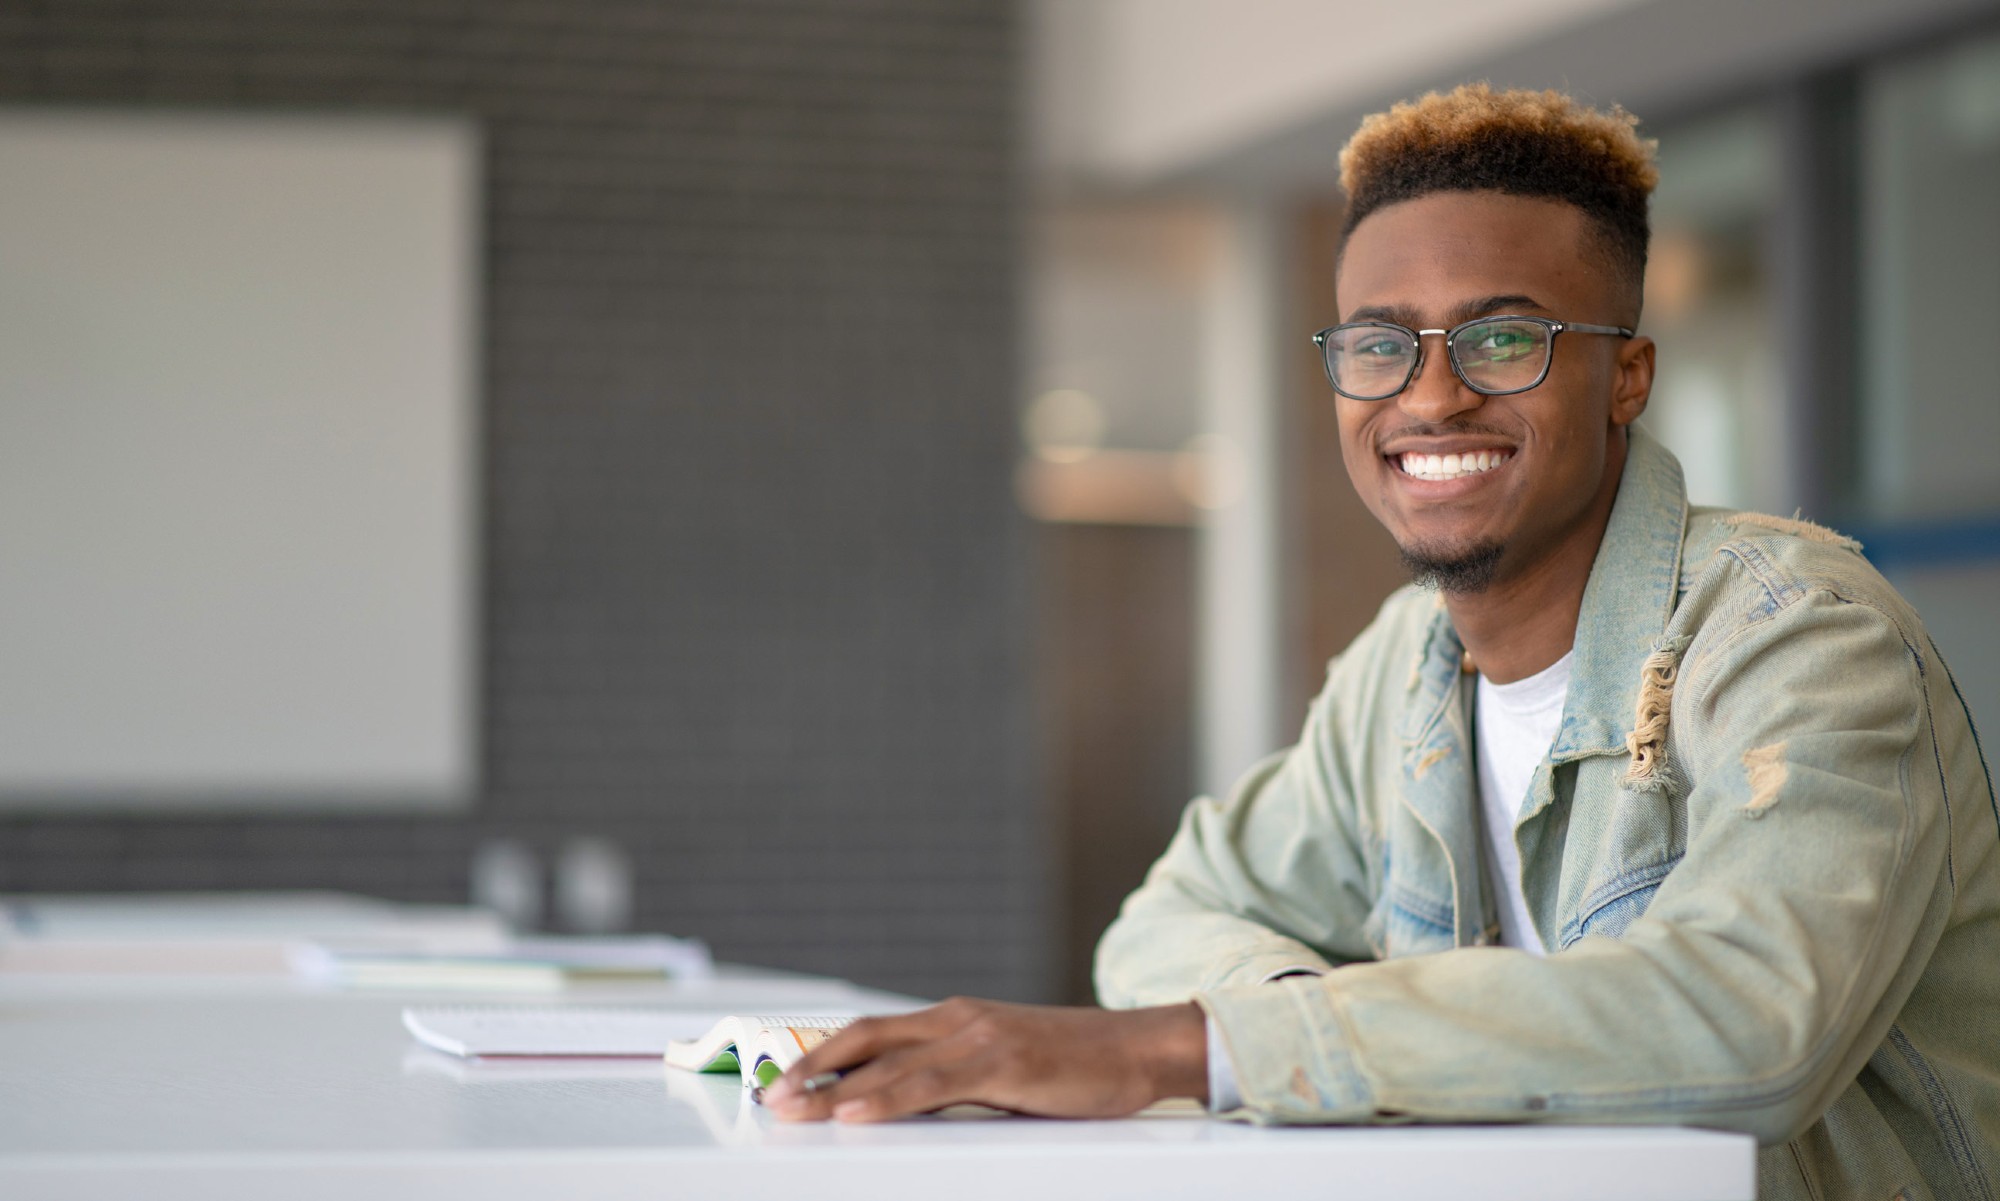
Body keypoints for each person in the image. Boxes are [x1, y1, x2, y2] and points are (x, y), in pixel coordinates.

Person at [763, 84, 2000, 1199]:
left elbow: (1749, 1026)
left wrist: (1181, 1050)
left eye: (1503, 338)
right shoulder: (1402, 667)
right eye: (1377, 342)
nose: (1426, 394)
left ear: (1625, 375)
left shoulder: (1800, 639)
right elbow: (1171, 913)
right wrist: (1302, 1027)